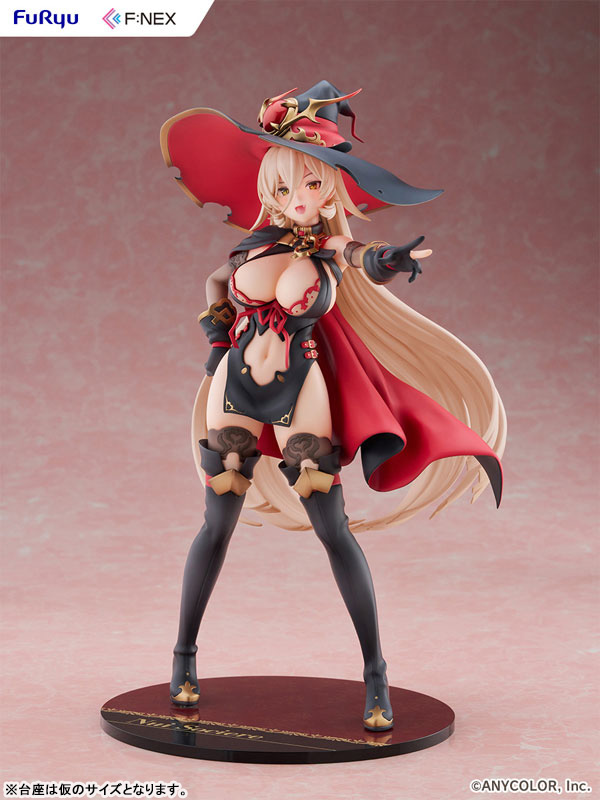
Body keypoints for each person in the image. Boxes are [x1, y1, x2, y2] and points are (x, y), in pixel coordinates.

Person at [160, 81, 506, 732]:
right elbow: (217, 285)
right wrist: (215, 342)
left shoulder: (326, 250)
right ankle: (183, 659)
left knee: (332, 528)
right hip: (235, 388)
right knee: (216, 523)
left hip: (302, 387)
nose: (298, 198)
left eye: (313, 184)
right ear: (268, 187)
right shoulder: (254, 247)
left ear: (332, 190)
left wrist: (391, 258)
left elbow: (361, 257)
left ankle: (375, 674)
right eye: (285, 185)